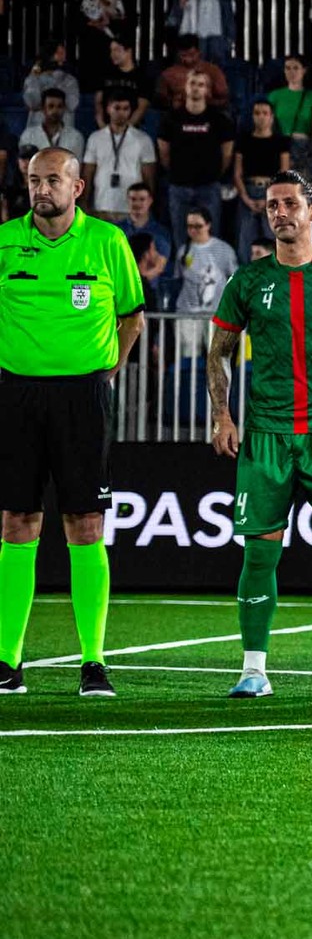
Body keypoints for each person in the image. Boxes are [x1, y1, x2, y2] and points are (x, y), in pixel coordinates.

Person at [206, 171, 312, 699]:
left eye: (289, 203)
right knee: (259, 555)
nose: (279, 212)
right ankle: (253, 670)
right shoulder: (247, 281)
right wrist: (222, 416)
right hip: (266, 437)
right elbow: (218, 352)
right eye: (271, 205)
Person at [0, 150, 146, 698]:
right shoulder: (4, 241)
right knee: (17, 522)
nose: (42, 189)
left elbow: (132, 315)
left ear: (77, 187)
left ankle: (93, 662)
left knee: (85, 524)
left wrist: (108, 371)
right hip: (16, 394)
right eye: (34, 180)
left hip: (84, 397)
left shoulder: (108, 241)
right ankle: (7, 660)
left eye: (52, 180)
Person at [157, 71, 236, 239]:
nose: (196, 88)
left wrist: (213, 174)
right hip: (179, 187)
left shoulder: (220, 120)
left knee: (210, 239)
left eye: (201, 85)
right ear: (185, 87)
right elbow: (164, 153)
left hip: (209, 187)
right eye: (192, 83)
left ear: (207, 90)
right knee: (181, 239)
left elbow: (227, 155)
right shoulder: (171, 119)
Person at [173, 205, 237, 360]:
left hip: (216, 312)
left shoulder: (224, 249)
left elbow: (234, 279)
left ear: (208, 225)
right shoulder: (183, 251)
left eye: (198, 226)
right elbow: (178, 279)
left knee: (217, 358)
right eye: (190, 226)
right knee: (188, 356)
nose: (193, 230)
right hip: (188, 312)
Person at [232, 99, 292, 262]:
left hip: (273, 193)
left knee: (272, 238)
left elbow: (284, 174)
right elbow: (237, 173)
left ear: (271, 117)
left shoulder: (281, 141)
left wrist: (270, 200)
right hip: (248, 191)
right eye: (257, 113)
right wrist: (246, 199)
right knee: (245, 241)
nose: (261, 117)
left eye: (265, 113)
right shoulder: (244, 140)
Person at [80, 95, 156, 219]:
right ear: (108, 109)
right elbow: (87, 174)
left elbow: (149, 178)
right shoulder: (95, 138)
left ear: (131, 111)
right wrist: (84, 202)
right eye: (117, 108)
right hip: (102, 204)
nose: (121, 113)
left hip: (131, 208)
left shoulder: (143, 139)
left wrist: (148, 206)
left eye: (125, 109)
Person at [266, 53, 312, 170]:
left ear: (304, 70)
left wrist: (309, 151)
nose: (291, 72)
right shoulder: (274, 96)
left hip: (301, 145)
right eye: (287, 68)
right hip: (279, 143)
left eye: (295, 68)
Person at [156, 34, 229, 112]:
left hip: (208, 113)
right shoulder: (168, 74)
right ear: (178, 54)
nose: (188, 59)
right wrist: (172, 102)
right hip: (179, 114)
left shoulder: (213, 70)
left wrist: (206, 101)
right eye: (183, 55)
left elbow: (224, 100)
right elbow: (159, 100)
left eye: (192, 55)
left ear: (199, 52)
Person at [16, 90, 83, 169]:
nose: (55, 111)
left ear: (64, 108)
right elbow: (23, 167)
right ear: (43, 108)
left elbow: (76, 169)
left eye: (59, 106)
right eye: (51, 106)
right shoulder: (28, 135)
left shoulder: (75, 137)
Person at [94, 37, 150, 129]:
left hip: (130, 130)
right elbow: (98, 102)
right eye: (111, 50)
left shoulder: (142, 77)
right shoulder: (105, 74)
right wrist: (102, 125)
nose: (113, 54)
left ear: (129, 51)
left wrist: (124, 130)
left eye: (117, 50)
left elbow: (141, 108)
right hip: (105, 128)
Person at [22, 41, 80, 121]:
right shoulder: (32, 79)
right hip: (38, 126)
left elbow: (72, 104)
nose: (64, 58)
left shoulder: (70, 80)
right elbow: (32, 103)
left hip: (64, 126)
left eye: (64, 53)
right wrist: (34, 77)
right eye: (59, 53)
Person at [120, 183, 173, 262]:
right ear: (127, 200)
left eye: (142, 199)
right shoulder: (116, 230)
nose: (137, 204)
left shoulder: (161, 233)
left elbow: (161, 264)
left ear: (150, 201)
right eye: (133, 199)